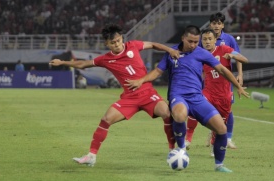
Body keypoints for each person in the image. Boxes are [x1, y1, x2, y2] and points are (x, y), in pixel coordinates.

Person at [49, 24, 180, 167]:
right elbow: (83, 64)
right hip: (129, 98)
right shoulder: (105, 59)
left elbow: (154, 44)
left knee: (167, 113)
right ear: (107, 44)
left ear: (122, 38)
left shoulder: (133, 45)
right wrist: (62, 62)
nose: (117, 44)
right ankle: (91, 156)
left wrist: (170, 50)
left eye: (119, 40)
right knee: (106, 119)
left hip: (148, 93)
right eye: (113, 42)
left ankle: (172, 151)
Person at [125, 25, 249, 172]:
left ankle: (219, 165)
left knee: (221, 128)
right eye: (191, 41)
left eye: (196, 42)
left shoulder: (201, 53)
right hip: (178, 96)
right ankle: (181, 148)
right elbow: (157, 72)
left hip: (197, 98)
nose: (193, 45)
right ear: (183, 38)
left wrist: (238, 86)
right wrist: (141, 80)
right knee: (179, 114)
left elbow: (222, 69)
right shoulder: (172, 52)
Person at [185, 29, 249, 156]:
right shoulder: (199, 54)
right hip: (208, 92)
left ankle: (214, 146)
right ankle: (187, 139)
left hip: (224, 96)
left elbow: (244, 59)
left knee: (219, 122)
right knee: (194, 109)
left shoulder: (225, 49)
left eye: (210, 39)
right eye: (204, 39)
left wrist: (233, 55)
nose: (207, 42)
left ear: (215, 40)